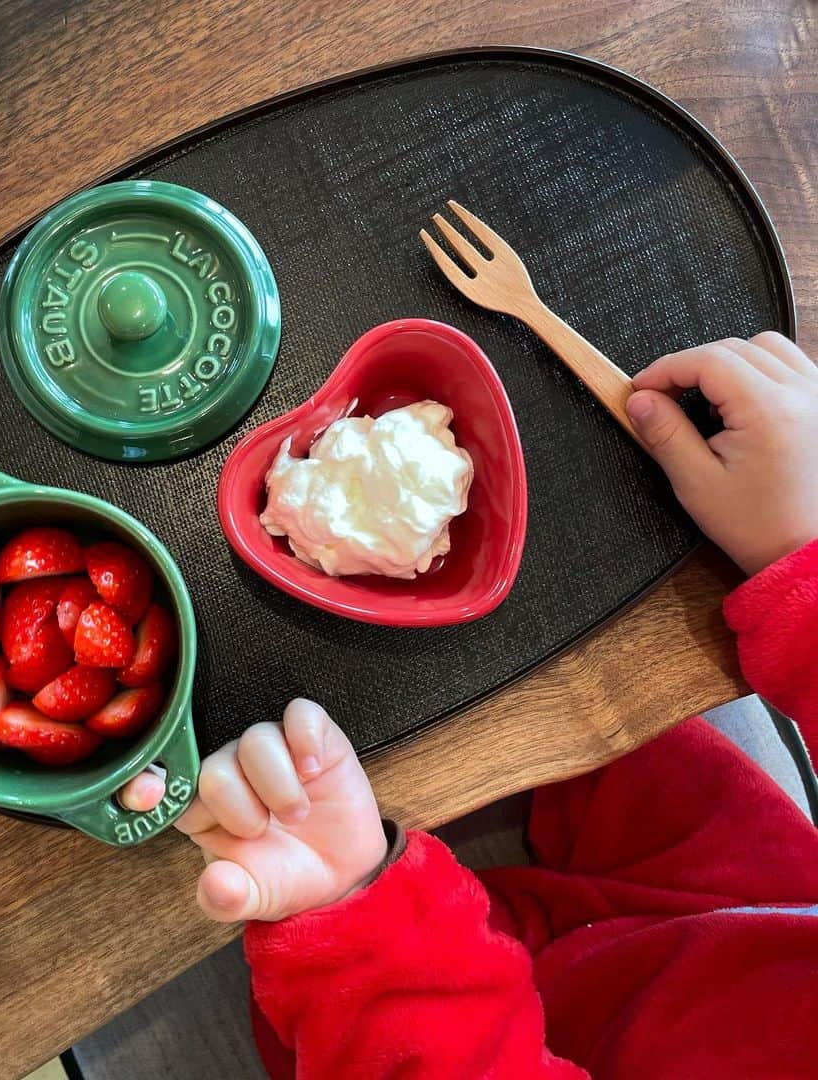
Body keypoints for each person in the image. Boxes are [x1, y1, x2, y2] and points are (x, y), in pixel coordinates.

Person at [119, 331, 818, 1078]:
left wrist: (357, 914)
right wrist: (803, 555)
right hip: (727, 897)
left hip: (447, 1019)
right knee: (581, 670)